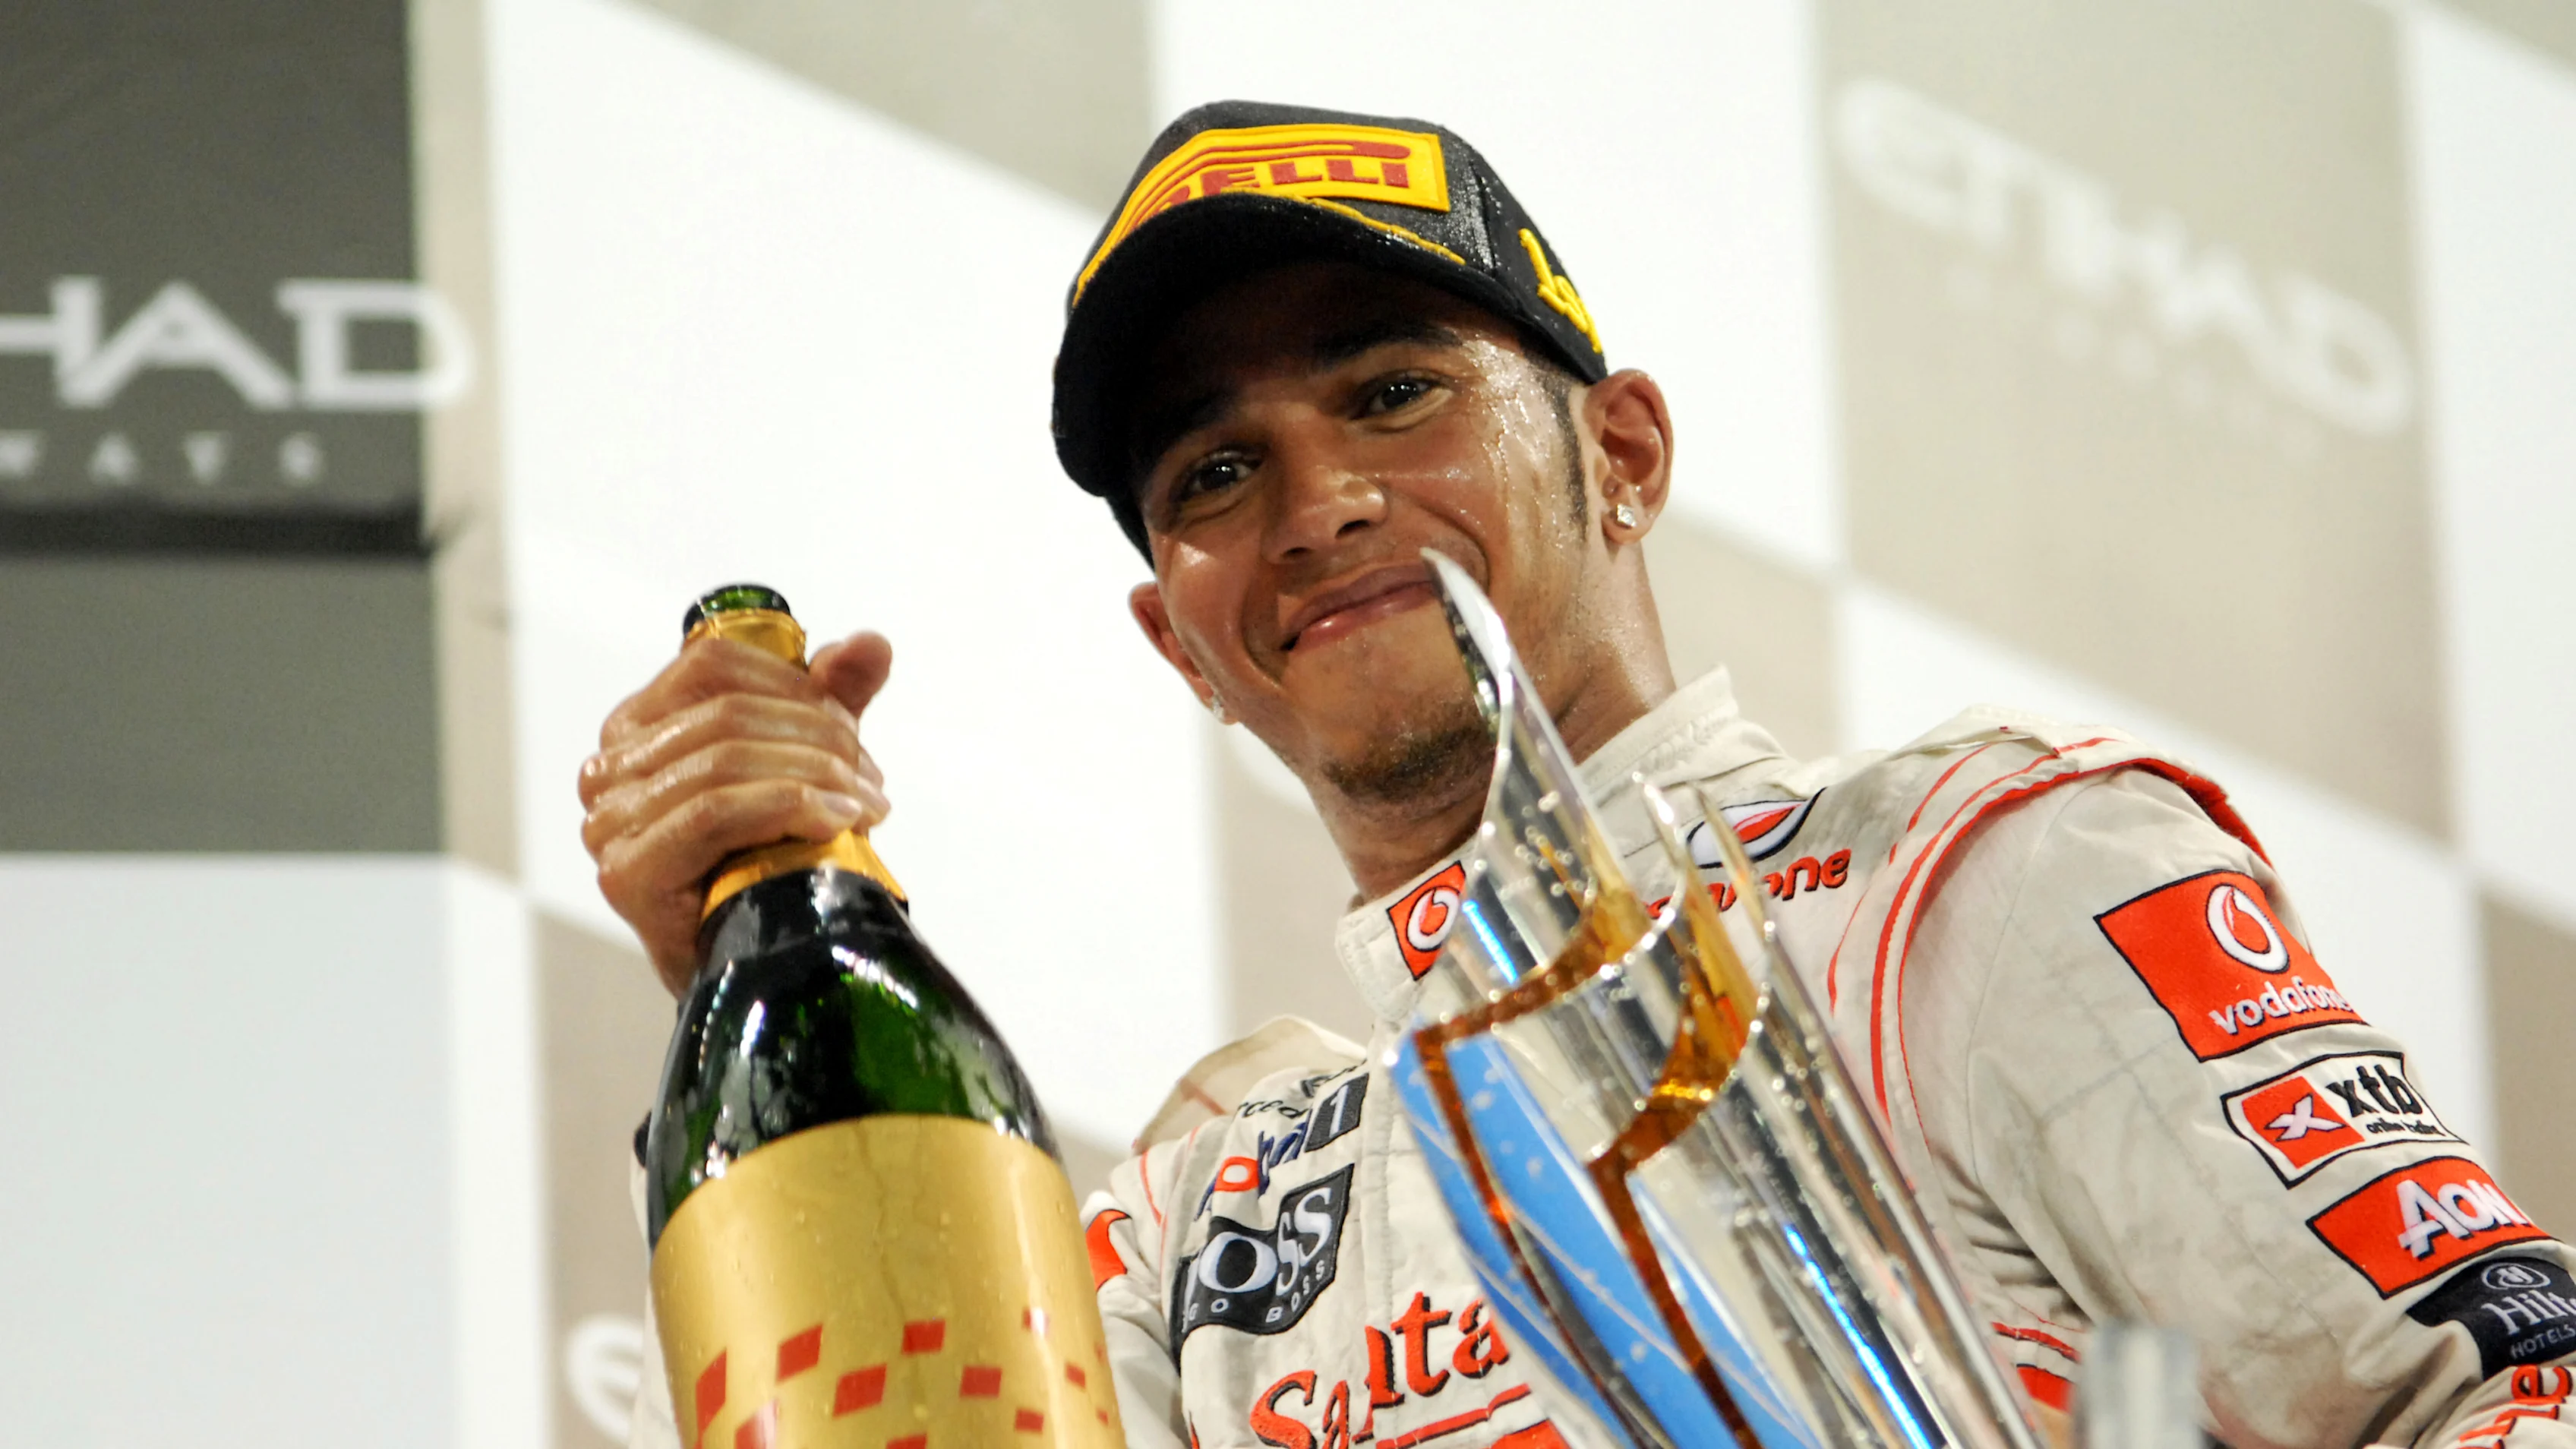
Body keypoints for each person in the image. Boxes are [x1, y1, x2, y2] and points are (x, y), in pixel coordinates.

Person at [583, 101, 2576, 1449]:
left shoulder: (1963, 877)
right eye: (1214, 471)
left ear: (1620, 453)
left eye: (1389, 387)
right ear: (1179, 640)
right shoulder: (1200, 1227)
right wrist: (745, 965)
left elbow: (2492, 1396)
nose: (1318, 500)